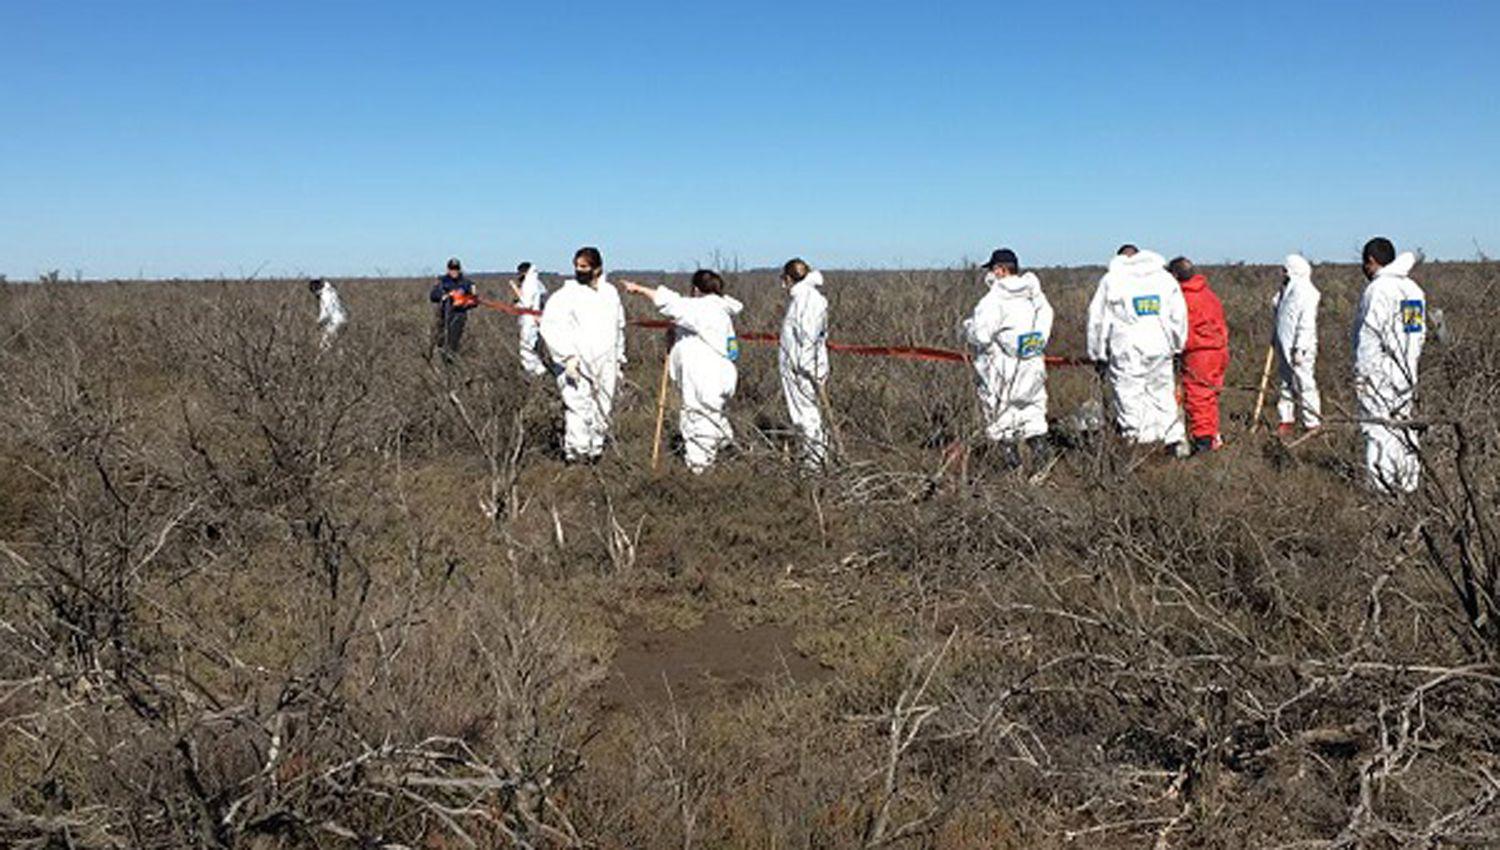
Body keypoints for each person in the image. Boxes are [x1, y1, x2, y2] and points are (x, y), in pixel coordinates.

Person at [622, 270, 743, 472]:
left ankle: (700, 470)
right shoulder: (719, 311)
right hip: (718, 373)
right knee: (710, 415)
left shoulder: (704, 308)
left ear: (696, 289)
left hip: (705, 375)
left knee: (698, 418)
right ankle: (722, 448)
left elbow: (670, 302)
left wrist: (639, 289)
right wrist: (676, 334)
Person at [1086, 245, 1189, 453]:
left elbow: (1097, 319)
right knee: (1161, 393)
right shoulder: (1165, 279)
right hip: (1160, 344)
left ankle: (1137, 443)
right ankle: (1173, 441)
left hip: (1127, 346)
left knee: (1129, 393)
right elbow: (1179, 316)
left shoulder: (1113, 280)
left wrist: (1097, 352)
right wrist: (1177, 345)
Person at [962, 249, 1054, 470]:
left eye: (993, 270)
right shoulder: (1036, 298)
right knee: (1033, 415)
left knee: (1000, 419)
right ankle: (1042, 466)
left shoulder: (993, 300)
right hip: (1032, 369)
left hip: (1001, 371)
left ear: (1001, 270)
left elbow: (981, 335)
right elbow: (1043, 331)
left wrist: (967, 328)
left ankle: (1012, 472)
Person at [539, 247, 627, 464]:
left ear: (597, 268)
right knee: (578, 408)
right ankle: (576, 456)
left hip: (605, 360)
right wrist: (567, 356)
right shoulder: (565, 295)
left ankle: (595, 452)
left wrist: (618, 359)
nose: (579, 270)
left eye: (584, 267)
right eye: (577, 266)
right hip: (575, 362)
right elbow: (550, 327)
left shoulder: (610, 293)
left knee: (602, 407)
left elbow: (619, 326)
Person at [1352, 237, 1426, 494]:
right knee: (1404, 425)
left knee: (1377, 428)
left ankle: (1380, 488)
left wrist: (1363, 375)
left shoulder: (1378, 290)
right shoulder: (1413, 289)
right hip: (1406, 371)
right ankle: (1408, 482)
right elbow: (1416, 334)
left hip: (1379, 373)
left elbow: (1370, 337)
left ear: (1371, 261)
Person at [1168, 257, 1229, 453]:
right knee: (1210, 396)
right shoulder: (1208, 293)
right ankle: (1212, 436)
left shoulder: (1183, 298)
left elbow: (1181, 330)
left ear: (1175, 275)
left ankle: (1204, 443)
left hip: (1200, 353)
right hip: (1219, 350)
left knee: (1199, 396)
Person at [778, 258, 830, 470]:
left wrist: (807, 368)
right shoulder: (801, 298)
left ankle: (815, 466)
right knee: (804, 417)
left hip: (803, 370)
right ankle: (813, 460)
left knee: (808, 417)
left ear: (789, 279)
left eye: (784, 278)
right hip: (797, 368)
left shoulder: (808, 299)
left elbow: (808, 337)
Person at [1273, 254, 1322, 436]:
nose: (1282, 274)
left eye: (1285, 271)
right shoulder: (1287, 291)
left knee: (1304, 384)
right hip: (1284, 346)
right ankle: (1286, 419)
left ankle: (1312, 422)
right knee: (1285, 383)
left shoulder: (1307, 292)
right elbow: (1281, 316)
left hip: (1300, 349)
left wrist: (1301, 347)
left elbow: (1306, 322)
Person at [429, 257, 478, 361]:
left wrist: (463, 302)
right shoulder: (442, 281)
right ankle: (441, 361)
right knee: (440, 341)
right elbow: (433, 296)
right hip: (443, 315)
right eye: (452, 269)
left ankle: (451, 365)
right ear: (448, 269)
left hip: (458, 316)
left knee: (452, 342)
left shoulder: (467, 283)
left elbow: (474, 300)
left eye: (456, 269)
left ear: (459, 269)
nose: (454, 271)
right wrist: (445, 296)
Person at [510, 261, 549, 377]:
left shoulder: (530, 283)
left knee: (527, 348)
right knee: (532, 347)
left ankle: (538, 372)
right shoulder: (537, 283)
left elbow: (527, 303)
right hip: (535, 319)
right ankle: (536, 372)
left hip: (530, 320)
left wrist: (515, 291)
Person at [308, 277, 347, 350]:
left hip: (336, 321)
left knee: (325, 345)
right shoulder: (332, 291)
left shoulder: (325, 295)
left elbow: (327, 312)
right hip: (343, 320)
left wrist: (319, 322)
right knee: (338, 344)